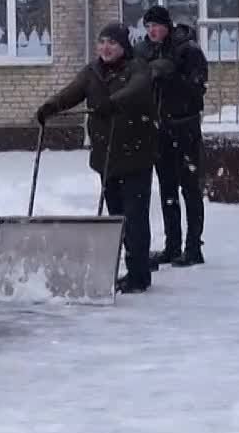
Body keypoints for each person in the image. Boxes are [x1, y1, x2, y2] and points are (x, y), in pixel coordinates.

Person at [34, 23, 157, 294]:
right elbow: (72, 92)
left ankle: (139, 274)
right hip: (106, 156)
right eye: (102, 42)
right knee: (117, 217)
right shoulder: (92, 72)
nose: (106, 48)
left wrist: (114, 101)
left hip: (135, 155)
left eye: (112, 43)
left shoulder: (137, 67)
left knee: (135, 217)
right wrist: (50, 107)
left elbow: (138, 88)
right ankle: (125, 267)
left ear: (123, 46)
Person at [133, 5, 209, 269]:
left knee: (190, 187)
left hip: (184, 126)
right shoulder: (145, 51)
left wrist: (171, 76)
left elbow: (198, 89)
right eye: (148, 26)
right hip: (160, 128)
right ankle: (172, 246)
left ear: (168, 26)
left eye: (156, 25)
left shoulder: (188, 50)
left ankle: (193, 247)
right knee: (167, 188)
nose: (152, 31)